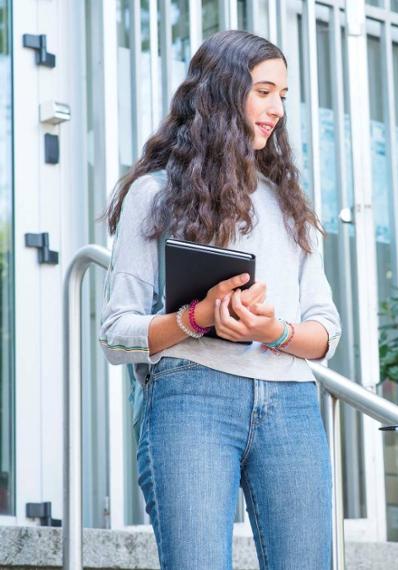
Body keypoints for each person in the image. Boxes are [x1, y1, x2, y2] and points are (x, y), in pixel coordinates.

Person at [99, 30, 341, 570]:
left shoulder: (290, 206)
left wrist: (271, 332)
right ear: (222, 92)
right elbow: (116, 333)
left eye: (283, 94)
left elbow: (326, 332)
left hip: (292, 405)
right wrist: (196, 317)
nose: (277, 108)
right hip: (190, 397)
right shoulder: (155, 193)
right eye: (263, 91)